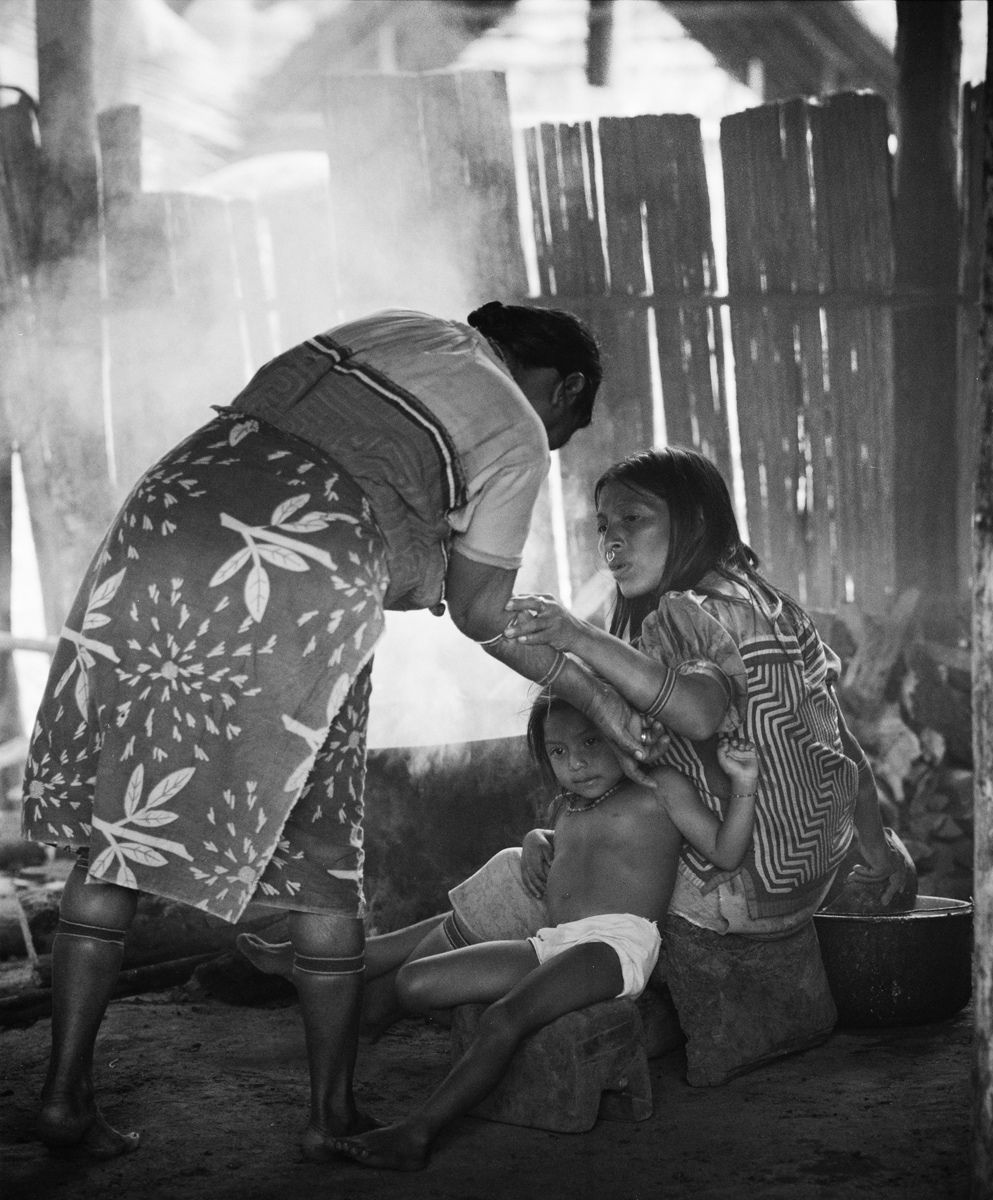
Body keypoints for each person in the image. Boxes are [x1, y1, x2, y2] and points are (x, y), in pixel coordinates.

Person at [20, 302, 663, 1163]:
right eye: (563, 431)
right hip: (289, 565)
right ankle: (329, 1115)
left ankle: (62, 1097)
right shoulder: (510, 419)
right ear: (564, 390)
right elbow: (478, 610)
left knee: (119, 827)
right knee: (323, 845)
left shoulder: (400, 329)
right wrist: (598, 696)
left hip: (165, 518)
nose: (545, 444)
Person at [240, 444, 915, 1024]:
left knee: (530, 874)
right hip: (798, 877)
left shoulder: (688, 615)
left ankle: (357, 988)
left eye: (634, 519)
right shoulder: (773, 604)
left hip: (735, 890)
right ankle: (351, 970)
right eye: (603, 526)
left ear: (698, 520)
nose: (612, 540)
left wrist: (573, 631)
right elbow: (840, 747)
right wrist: (877, 842)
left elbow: (701, 713)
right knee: (552, 854)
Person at [326, 691, 759, 1171]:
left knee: (504, 1018)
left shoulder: (660, 788)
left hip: (613, 944)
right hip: (553, 943)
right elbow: (585, 844)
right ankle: (504, 1046)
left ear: (621, 732)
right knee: (415, 984)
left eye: (592, 742)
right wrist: (536, 838)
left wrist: (744, 781)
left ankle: (417, 1132)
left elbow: (725, 851)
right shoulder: (568, 805)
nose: (576, 762)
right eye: (558, 751)